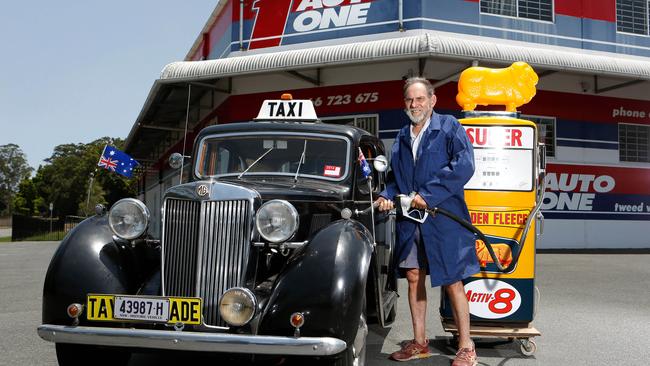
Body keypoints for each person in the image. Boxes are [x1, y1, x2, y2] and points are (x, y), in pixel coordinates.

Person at [376, 77, 479, 366]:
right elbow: (395, 178)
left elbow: (464, 165)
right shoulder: (401, 136)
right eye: (410, 99)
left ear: (432, 101)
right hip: (411, 220)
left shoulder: (448, 127)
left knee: (452, 280)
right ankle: (419, 342)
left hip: (443, 218)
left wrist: (428, 195)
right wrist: (386, 195)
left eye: (420, 98)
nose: (415, 104)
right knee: (413, 276)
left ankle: (466, 346)